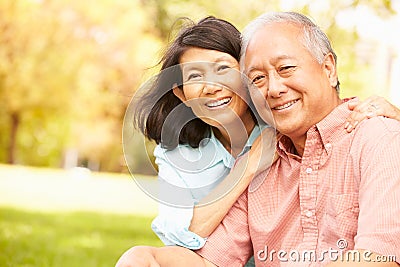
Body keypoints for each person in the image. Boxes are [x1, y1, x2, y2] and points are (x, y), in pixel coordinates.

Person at [117, 13, 400, 267]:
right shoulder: (263, 159)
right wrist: (147, 257)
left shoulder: (377, 139)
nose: (274, 88)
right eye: (258, 78)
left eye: (286, 68)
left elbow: (379, 257)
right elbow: (213, 259)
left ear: (328, 69)